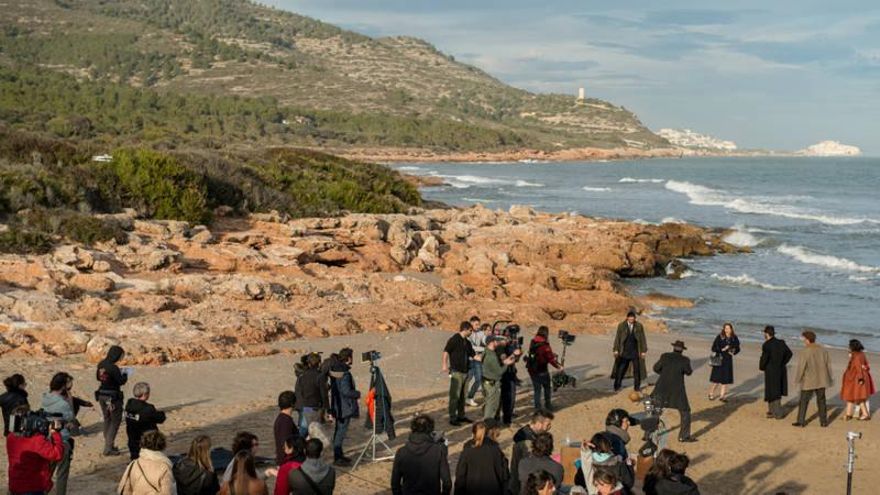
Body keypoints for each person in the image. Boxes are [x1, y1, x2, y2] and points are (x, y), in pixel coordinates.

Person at [5, 404, 65, 495]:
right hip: (33, 487)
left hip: (15, 486)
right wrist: (55, 433)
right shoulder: (36, 440)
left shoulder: (10, 438)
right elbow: (57, 454)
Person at [391, 414, 452, 495]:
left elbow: (395, 483)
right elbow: (447, 482)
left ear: (413, 429)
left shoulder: (401, 452)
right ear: (431, 430)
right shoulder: (438, 451)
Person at [651, 341, 695, 442]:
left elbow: (655, 368)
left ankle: (648, 435)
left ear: (673, 348)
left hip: (661, 387)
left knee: (655, 411)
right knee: (685, 412)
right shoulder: (685, 360)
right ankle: (683, 436)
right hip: (677, 389)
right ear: (682, 350)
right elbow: (689, 372)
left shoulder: (665, 356)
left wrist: (664, 373)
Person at [41, 372, 76, 495]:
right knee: (62, 473)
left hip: (46, 439)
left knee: (47, 471)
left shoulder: (45, 397)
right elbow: (71, 418)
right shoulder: (63, 404)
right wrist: (70, 400)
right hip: (61, 440)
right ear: (63, 386)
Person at [454, 420, 510, 495]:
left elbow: (460, 475)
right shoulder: (495, 449)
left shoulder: (467, 450)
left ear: (473, 433)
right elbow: (504, 475)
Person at [793, 330, 833, 427]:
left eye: (804, 339)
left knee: (804, 401)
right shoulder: (823, 350)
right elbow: (828, 365)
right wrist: (829, 379)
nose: (803, 341)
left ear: (807, 339)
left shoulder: (805, 351)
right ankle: (823, 422)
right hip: (822, 379)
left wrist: (797, 379)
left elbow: (801, 367)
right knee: (821, 401)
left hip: (809, 379)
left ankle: (801, 421)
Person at [118, 430, 177, 495]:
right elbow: (168, 492)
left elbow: (125, 490)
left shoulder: (133, 464)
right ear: (162, 445)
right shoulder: (165, 467)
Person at [329, 347, 360, 466]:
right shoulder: (345, 374)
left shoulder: (334, 370)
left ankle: (339, 454)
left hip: (337, 405)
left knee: (339, 431)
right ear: (348, 358)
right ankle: (338, 457)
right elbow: (346, 391)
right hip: (345, 407)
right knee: (341, 432)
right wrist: (357, 394)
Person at [511, 410, 555, 495]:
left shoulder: (531, 435)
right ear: (538, 424)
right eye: (548, 425)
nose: (549, 427)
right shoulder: (527, 443)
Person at [96, 344, 129, 456]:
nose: (121, 358)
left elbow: (98, 378)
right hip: (112, 397)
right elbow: (121, 381)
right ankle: (108, 448)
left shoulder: (101, 364)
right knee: (115, 421)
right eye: (121, 356)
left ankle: (109, 444)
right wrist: (125, 374)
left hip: (102, 395)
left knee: (107, 419)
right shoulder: (113, 368)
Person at [443, 321, 476, 425]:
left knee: (463, 395)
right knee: (455, 395)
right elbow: (446, 352)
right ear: (465, 329)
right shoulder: (454, 339)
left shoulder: (468, 342)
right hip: (456, 371)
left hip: (466, 372)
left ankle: (461, 415)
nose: (471, 332)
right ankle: (453, 417)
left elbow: (474, 355)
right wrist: (444, 365)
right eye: (470, 330)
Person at [482, 335, 521, 420]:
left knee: (493, 404)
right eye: (497, 340)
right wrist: (508, 362)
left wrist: (513, 356)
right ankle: (489, 423)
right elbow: (500, 371)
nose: (499, 342)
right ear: (492, 342)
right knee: (492, 405)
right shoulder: (492, 355)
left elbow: (504, 361)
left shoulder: (488, 351)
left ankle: (493, 421)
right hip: (492, 383)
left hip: (490, 382)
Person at [125, 382, 167, 460]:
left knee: (135, 458)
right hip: (147, 441)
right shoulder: (148, 408)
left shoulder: (129, 405)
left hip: (132, 439)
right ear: (145, 394)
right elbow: (160, 418)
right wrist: (160, 413)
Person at [759, 325, 793, 419]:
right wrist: (783, 363)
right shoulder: (781, 342)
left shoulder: (766, 345)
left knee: (772, 391)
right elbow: (789, 354)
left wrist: (762, 367)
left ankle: (777, 413)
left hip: (770, 370)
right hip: (780, 369)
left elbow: (764, 358)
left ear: (766, 334)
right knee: (777, 389)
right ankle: (772, 412)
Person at [526, 326, 563, 411]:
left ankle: (538, 408)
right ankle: (548, 405)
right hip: (542, 370)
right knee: (547, 387)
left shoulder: (533, 341)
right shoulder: (545, 345)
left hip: (532, 369)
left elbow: (538, 353)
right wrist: (559, 367)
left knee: (537, 390)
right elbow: (550, 359)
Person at [612, 311, 647, 392]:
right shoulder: (621, 326)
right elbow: (618, 338)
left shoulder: (639, 326)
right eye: (630, 317)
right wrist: (616, 349)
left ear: (635, 318)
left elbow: (642, 338)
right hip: (624, 351)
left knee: (637, 370)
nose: (631, 318)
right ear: (627, 318)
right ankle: (617, 386)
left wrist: (643, 351)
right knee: (621, 369)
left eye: (633, 317)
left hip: (635, 351)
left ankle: (637, 387)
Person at [295, 353, 328, 437]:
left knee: (304, 428)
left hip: (305, 406)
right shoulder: (320, 376)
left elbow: (299, 390)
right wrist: (327, 408)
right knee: (315, 429)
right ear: (319, 363)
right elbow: (324, 394)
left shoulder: (302, 376)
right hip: (315, 407)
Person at [841, 339, 875, 421]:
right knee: (853, 397)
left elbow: (858, 368)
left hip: (856, 379)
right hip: (861, 377)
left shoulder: (855, 356)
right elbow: (866, 365)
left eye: (849, 346)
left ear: (852, 347)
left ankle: (865, 414)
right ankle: (848, 414)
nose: (848, 347)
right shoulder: (861, 354)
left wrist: (860, 379)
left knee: (857, 397)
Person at [708, 323, 741, 402]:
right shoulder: (720, 337)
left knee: (725, 379)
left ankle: (722, 396)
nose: (727, 330)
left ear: (731, 329)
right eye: (725, 328)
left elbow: (738, 348)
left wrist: (733, 352)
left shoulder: (734, 337)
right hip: (719, 358)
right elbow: (713, 348)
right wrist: (722, 349)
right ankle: (711, 393)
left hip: (728, 359)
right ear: (723, 329)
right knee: (717, 379)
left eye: (728, 328)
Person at [499, 328, 524, 425]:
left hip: (511, 373)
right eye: (509, 336)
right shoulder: (501, 347)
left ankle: (508, 416)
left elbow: (515, 360)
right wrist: (514, 354)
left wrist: (518, 354)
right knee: (502, 397)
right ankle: (497, 418)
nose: (511, 339)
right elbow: (505, 361)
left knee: (511, 396)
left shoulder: (512, 345)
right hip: (502, 373)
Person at [465, 320, 488, 407]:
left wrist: (488, 343)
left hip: (478, 359)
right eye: (476, 324)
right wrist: (484, 349)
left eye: (479, 324)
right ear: (471, 324)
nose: (478, 326)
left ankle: (470, 397)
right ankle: (462, 397)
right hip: (469, 359)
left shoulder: (481, 333)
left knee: (478, 379)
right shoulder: (467, 334)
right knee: (467, 379)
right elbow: (471, 347)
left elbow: (485, 340)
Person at [273, 390, 298, 465]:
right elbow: (286, 443)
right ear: (292, 404)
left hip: (283, 460)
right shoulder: (286, 421)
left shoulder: (282, 418)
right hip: (286, 462)